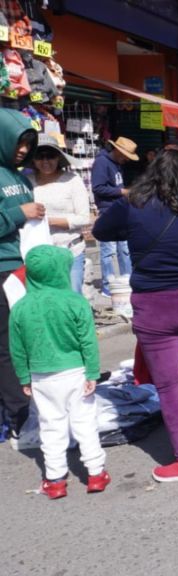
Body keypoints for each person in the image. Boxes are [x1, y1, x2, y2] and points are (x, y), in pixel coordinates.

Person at [92, 144, 178, 483]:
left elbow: (101, 231)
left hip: (155, 303)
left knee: (169, 383)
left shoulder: (132, 204)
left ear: (154, 173)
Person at [10, 245, 109, 499]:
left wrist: (24, 377)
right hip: (75, 371)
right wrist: (92, 372)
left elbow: (17, 349)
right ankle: (96, 473)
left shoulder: (20, 308)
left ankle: (55, 480)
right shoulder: (75, 301)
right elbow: (88, 341)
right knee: (84, 422)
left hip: (41, 376)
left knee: (51, 426)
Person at [0, 109, 39, 443]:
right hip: (2, 271)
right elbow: (15, 216)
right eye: (17, 142)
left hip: (22, 268)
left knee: (23, 344)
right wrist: (19, 213)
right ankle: (19, 416)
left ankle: (26, 410)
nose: (23, 149)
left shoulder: (20, 177)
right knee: (7, 347)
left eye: (28, 143)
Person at [27, 134, 90, 294]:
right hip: (38, 253)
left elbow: (84, 218)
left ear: (58, 158)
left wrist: (48, 221)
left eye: (50, 156)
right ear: (33, 159)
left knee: (71, 295)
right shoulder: (26, 182)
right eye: (40, 156)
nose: (45, 161)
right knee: (43, 298)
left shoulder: (72, 180)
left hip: (70, 250)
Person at [92, 136, 138, 296]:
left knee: (124, 248)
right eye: (126, 155)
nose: (127, 159)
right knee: (108, 250)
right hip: (107, 210)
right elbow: (98, 188)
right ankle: (107, 286)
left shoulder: (117, 164)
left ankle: (128, 281)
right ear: (118, 151)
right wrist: (122, 191)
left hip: (120, 208)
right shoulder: (102, 162)